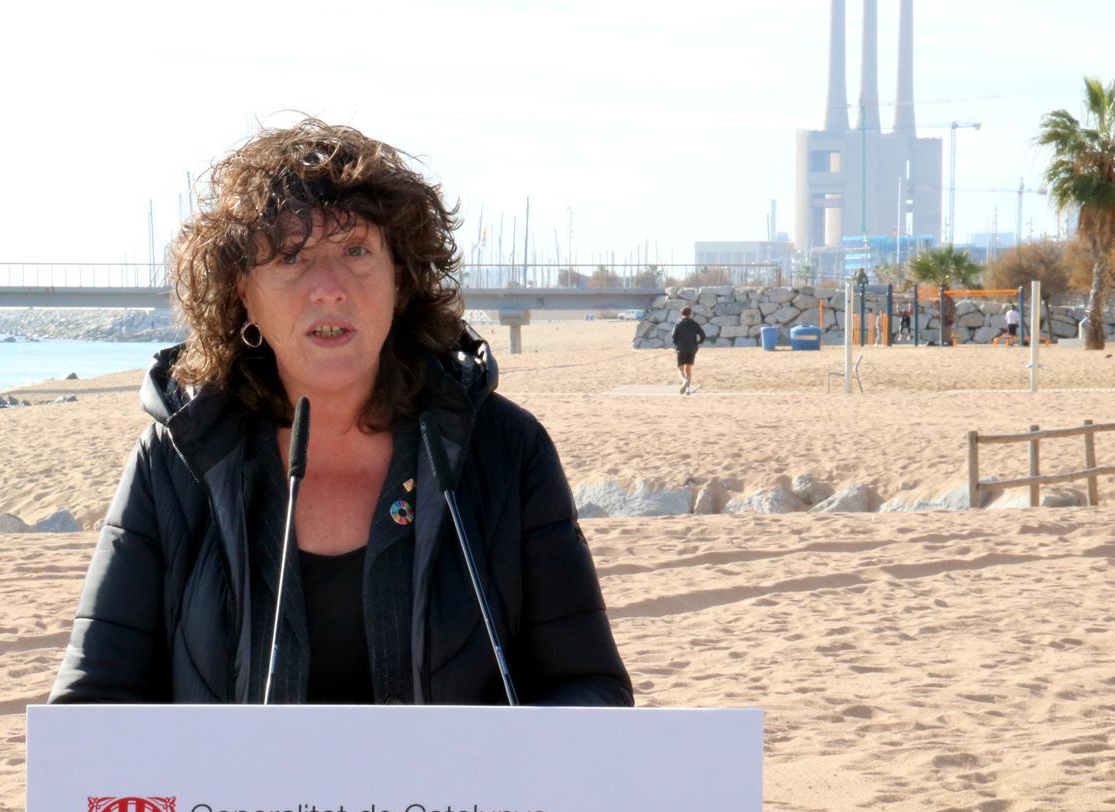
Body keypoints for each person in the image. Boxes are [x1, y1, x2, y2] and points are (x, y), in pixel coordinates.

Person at [46, 119, 632, 707]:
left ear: (398, 278)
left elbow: (588, 687)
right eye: (291, 257)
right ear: (242, 294)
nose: (329, 287)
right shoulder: (175, 463)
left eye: (356, 251)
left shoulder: (507, 450)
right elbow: (92, 709)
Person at [671, 307, 705, 394]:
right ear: (690, 314)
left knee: (680, 369)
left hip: (681, 348)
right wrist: (698, 343)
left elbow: (673, 336)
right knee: (688, 370)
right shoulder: (694, 323)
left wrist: (676, 344)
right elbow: (703, 335)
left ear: (681, 313)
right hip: (692, 349)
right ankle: (688, 390)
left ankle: (684, 381)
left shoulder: (678, 323)